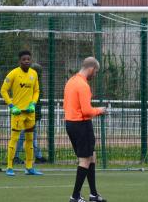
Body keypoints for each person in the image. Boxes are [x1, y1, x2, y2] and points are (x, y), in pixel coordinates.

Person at [64, 57, 107, 202]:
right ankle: (75, 196)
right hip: (81, 124)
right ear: (91, 69)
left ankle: (93, 194)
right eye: (96, 72)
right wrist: (100, 110)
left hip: (70, 123)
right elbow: (87, 111)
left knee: (91, 156)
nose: (95, 75)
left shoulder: (71, 81)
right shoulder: (83, 85)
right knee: (85, 160)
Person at [0, 50, 43, 176]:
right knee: (14, 139)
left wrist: (33, 103)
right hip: (17, 113)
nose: (26, 61)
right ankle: (9, 167)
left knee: (30, 139)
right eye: (24, 59)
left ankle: (29, 167)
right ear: (20, 61)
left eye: (28, 59)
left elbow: (37, 91)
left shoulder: (34, 74)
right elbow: (3, 90)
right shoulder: (13, 73)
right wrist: (11, 106)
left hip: (30, 113)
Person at [13, 63, 47, 164]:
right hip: (30, 113)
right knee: (25, 135)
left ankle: (36, 156)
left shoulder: (33, 81)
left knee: (29, 135)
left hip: (30, 113)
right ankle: (16, 156)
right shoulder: (35, 82)